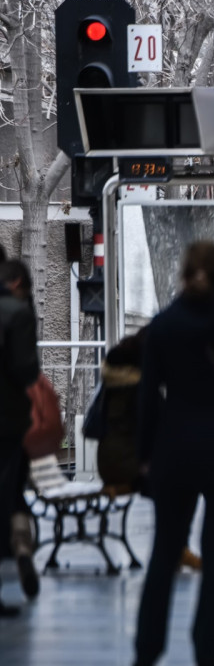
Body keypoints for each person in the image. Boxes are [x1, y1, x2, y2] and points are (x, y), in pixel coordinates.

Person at [134, 242, 214, 666]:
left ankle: (147, 649)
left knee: (164, 552)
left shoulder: (163, 325)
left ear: (183, 274)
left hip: (173, 453)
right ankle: (206, 651)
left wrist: (144, 453)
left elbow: (148, 397)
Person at [95, 329, 202, 571]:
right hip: (128, 463)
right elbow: (159, 429)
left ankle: (176, 547)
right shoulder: (139, 389)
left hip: (109, 460)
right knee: (185, 483)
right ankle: (177, 548)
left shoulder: (113, 383)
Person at [0, 259, 40, 612]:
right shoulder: (17, 314)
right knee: (10, 492)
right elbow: (27, 370)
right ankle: (21, 547)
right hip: (7, 422)